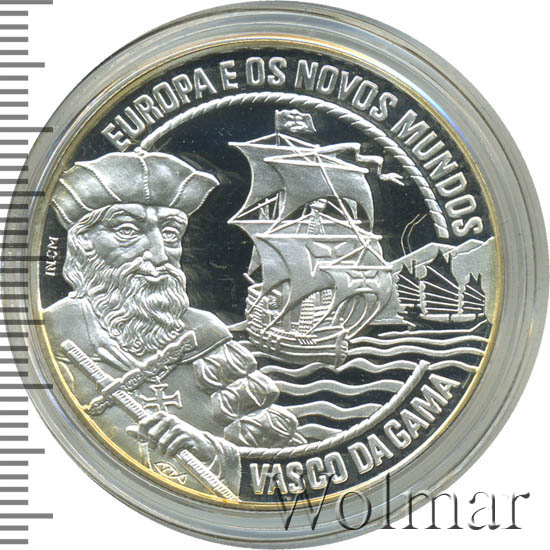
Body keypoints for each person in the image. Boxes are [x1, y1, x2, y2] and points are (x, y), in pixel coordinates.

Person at [44, 151, 304, 496]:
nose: (159, 254)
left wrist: (209, 450)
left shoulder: (206, 337)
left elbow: (287, 470)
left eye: (169, 233)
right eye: (127, 230)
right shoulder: (48, 337)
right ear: (83, 245)